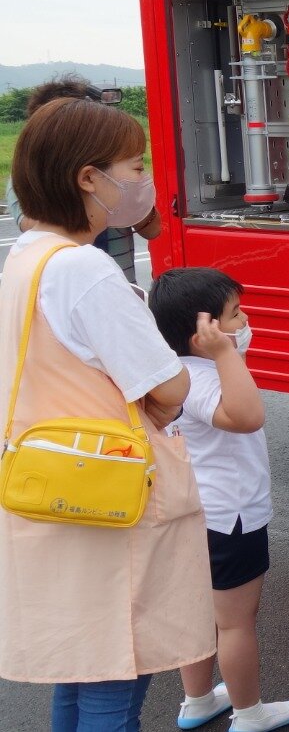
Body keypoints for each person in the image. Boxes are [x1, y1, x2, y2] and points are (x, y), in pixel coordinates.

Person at [0, 95, 212, 731]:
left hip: (60, 479)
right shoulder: (85, 268)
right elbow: (169, 384)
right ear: (89, 178)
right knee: (117, 668)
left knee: (85, 666)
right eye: (136, 166)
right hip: (113, 496)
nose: (144, 180)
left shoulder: (27, 255)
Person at [148, 267, 289, 732]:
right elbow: (247, 416)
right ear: (204, 334)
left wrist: (223, 353)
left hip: (196, 513)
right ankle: (250, 713)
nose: (246, 320)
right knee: (235, 622)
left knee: (197, 613)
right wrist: (224, 353)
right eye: (236, 314)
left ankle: (198, 701)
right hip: (230, 517)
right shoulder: (205, 378)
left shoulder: (175, 371)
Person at [6, 75, 162, 284]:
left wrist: (127, 193)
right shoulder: (25, 180)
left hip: (122, 279)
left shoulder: (106, 175)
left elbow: (153, 229)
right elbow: (41, 225)